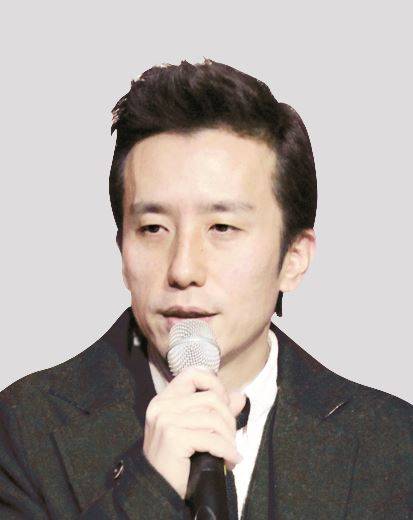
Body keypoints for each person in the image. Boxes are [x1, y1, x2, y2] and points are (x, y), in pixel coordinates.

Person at [0, 59, 411, 519]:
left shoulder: (392, 446)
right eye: (153, 229)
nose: (183, 269)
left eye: (222, 227)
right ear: (122, 249)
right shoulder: (23, 429)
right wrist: (148, 487)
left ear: (293, 258)